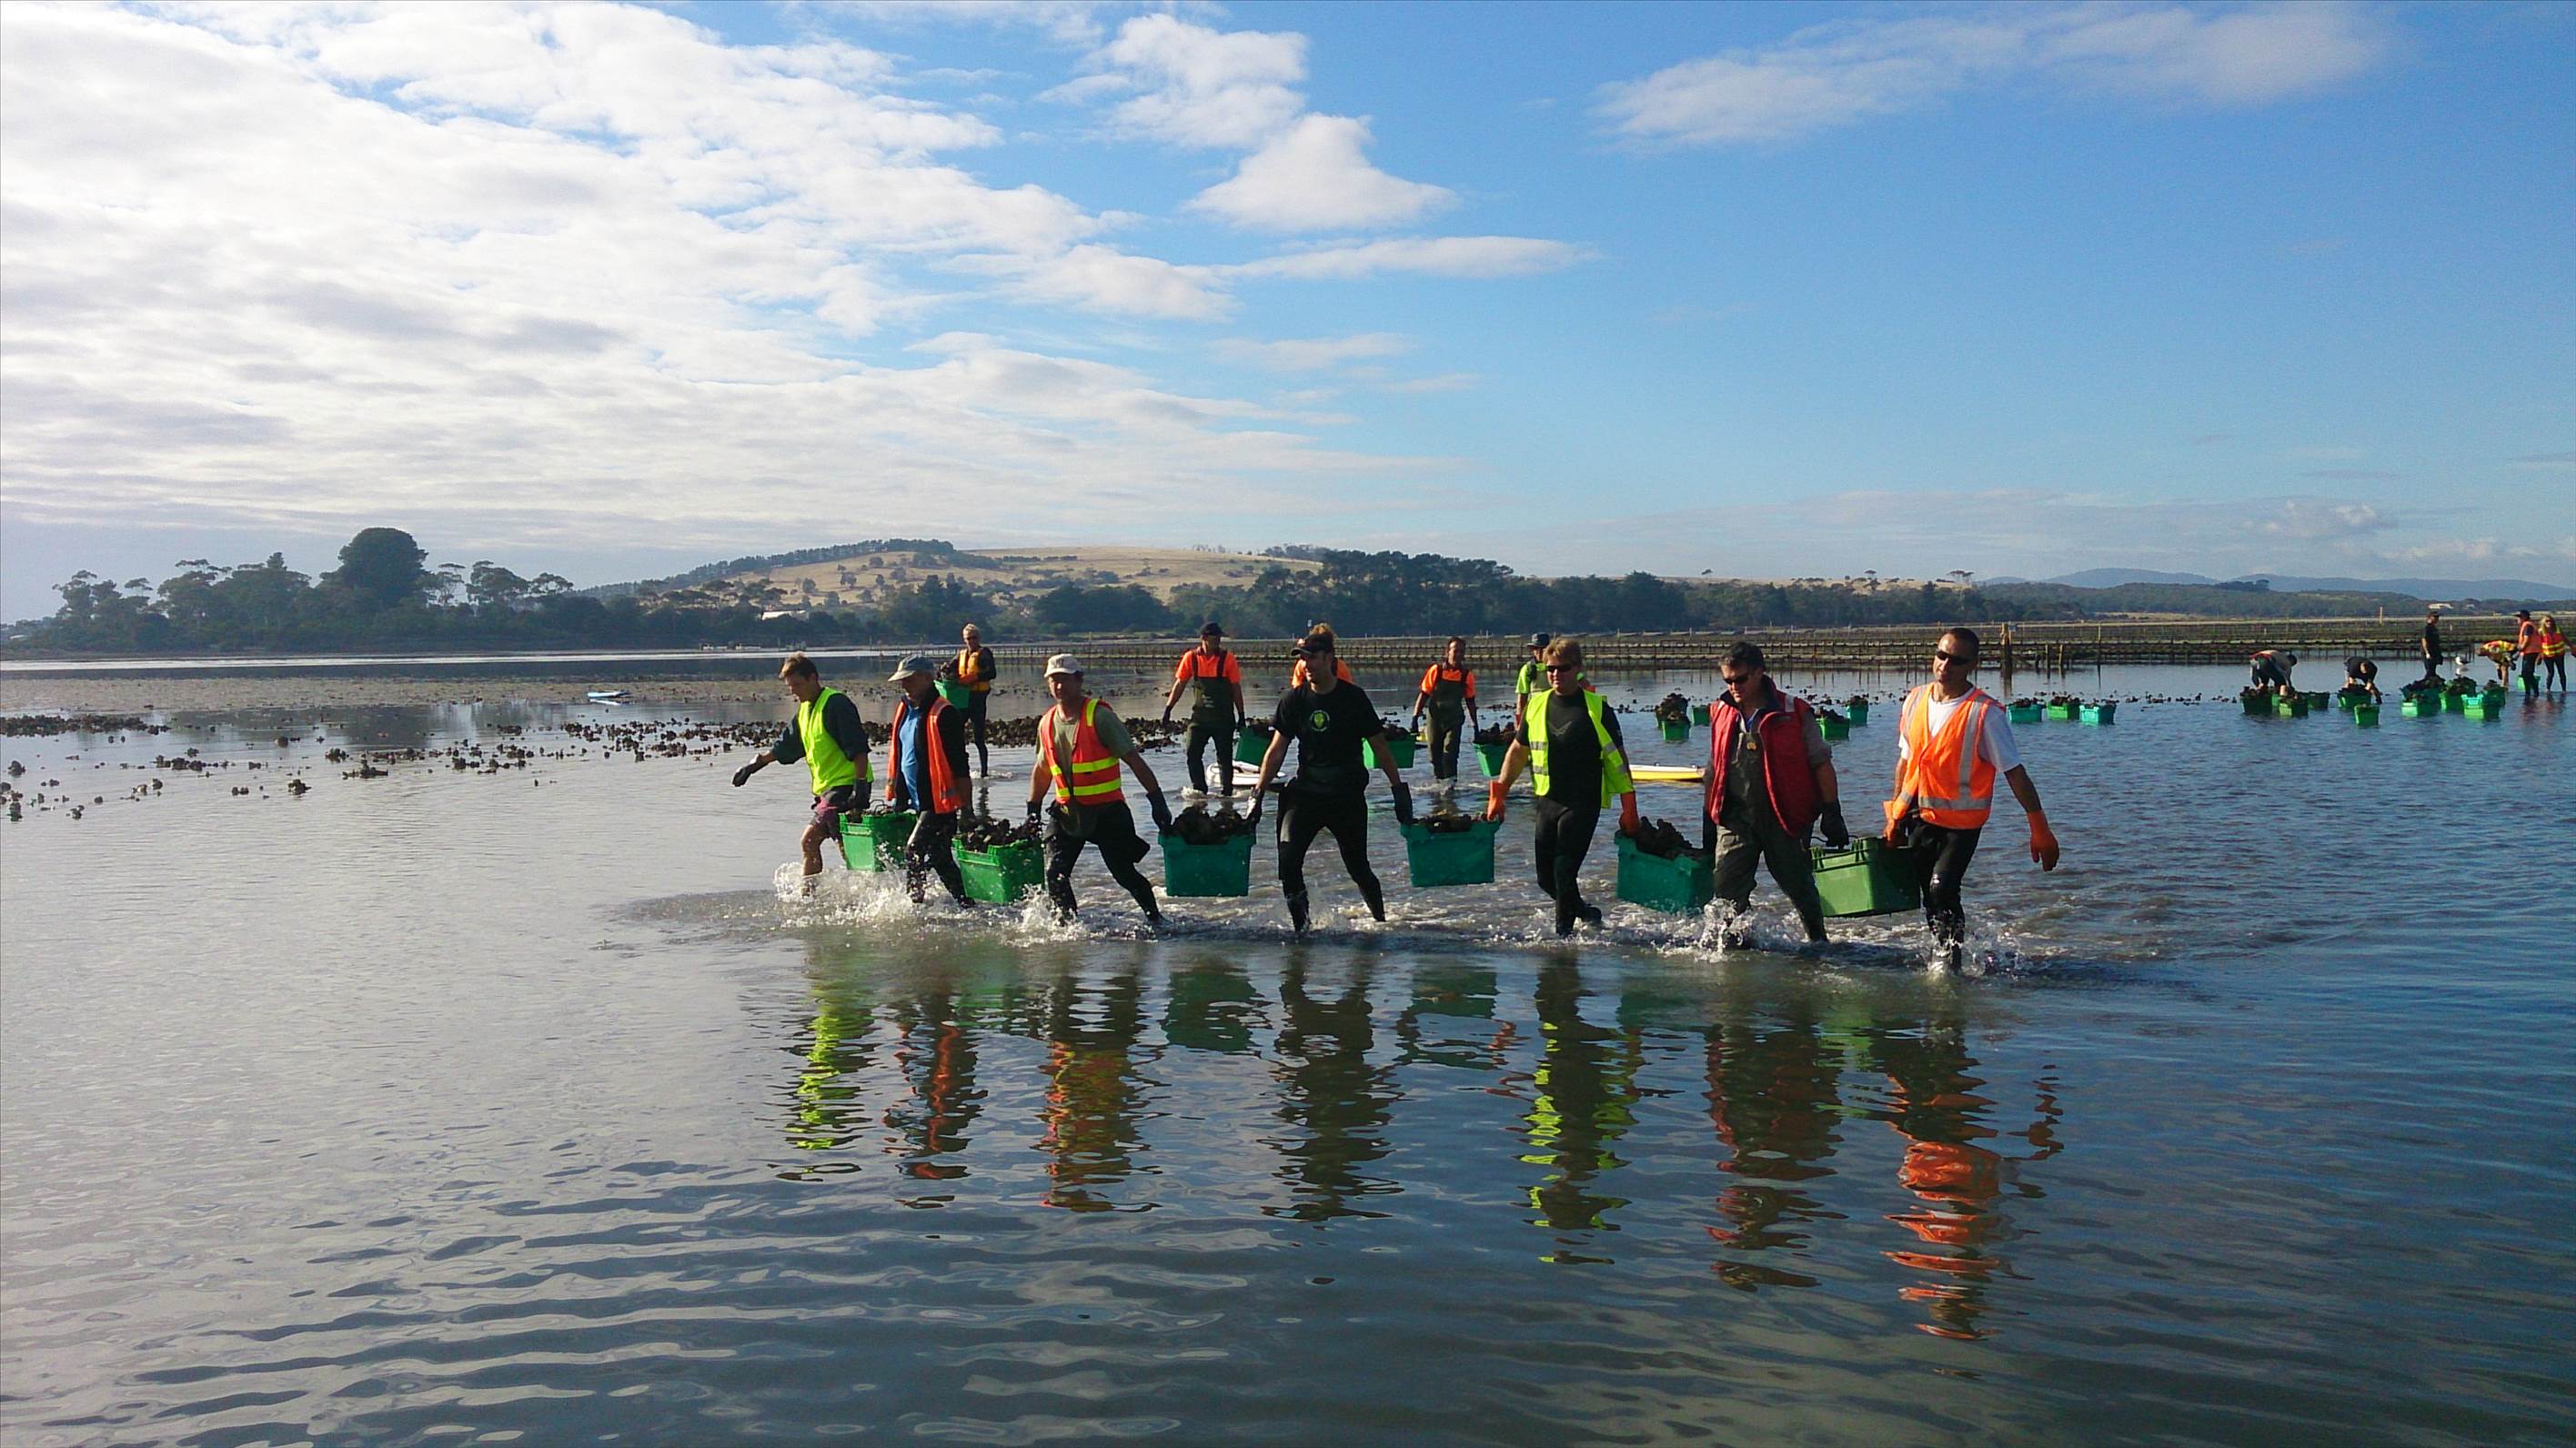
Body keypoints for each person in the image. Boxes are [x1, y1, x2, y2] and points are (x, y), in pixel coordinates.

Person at [1884, 628, 2061, 969]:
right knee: (1929, 898)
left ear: (1973, 665)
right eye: (1941, 655)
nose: (1945, 665)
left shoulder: (1985, 713)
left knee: (1942, 888)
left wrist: (2040, 828)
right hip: (1918, 817)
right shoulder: (1916, 699)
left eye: (1956, 660)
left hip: (1961, 826)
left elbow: (2015, 772)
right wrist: (1894, 816)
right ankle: (1943, 952)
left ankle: (1951, 963)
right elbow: (1905, 761)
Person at [1247, 628, 1413, 934]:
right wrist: (1256, 795)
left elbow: (1379, 747)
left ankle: (1380, 923)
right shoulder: (1293, 701)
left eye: (1312, 658)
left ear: (1329, 659)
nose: (1307, 664)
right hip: (1306, 794)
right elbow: (1277, 750)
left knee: (1358, 868)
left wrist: (1398, 790)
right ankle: (1302, 930)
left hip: (1345, 796)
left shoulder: (1353, 699)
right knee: (1288, 863)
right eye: (1302, 659)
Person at [1485, 639, 1635, 938]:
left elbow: (1618, 761)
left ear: (1578, 669)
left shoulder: (1597, 709)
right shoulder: (1537, 705)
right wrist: (1499, 793)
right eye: (1550, 669)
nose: (1555, 675)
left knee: (1564, 871)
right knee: (1546, 880)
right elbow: (1517, 752)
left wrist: (1629, 808)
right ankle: (1586, 912)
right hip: (1548, 801)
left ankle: (1562, 945)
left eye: (1563, 669)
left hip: (1583, 802)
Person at [1697, 641, 1843, 947]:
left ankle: (1819, 943)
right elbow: (1713, 768)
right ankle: (1736, 945)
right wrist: (1709, 816)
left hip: (1785, 817)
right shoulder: (1721, 712)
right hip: (1736, 819)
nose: (1734, 686)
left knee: (1798, 886)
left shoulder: (1793, 711)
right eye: (1728, 680)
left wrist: (1832, 812)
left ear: (1760, 673)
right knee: (1726, 886)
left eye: (1740, 679)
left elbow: (1821, 763)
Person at [1027, 655, 1171, 927]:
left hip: (1107, 812)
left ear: (1079, 680)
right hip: (1067, 813)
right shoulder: (1046, 723)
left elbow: (1134, 760)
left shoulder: (1099, 716)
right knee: (1053, 872)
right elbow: (1042, 769)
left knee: (1124, 874)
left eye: (1065, 679)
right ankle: (1067, 927)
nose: (1059, 686)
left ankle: (1156, 918)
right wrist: (1032, 810)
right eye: (1053, 680)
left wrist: (1157, 801)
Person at [730, 652, 874, 892]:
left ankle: (807, 897)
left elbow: (858, 748)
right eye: (790, 687)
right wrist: (754, 766)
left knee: (809, 840)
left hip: (846, 786)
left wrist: (860, 788)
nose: (793, 692)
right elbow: (786, 746)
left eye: (797, 685)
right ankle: (866, 891)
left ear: (813, 678)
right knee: (845, 846)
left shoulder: (836, 704)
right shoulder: (805, 711)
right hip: (827, 789)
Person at [884, 655, 971, 906]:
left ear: (926, 678)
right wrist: (899, 798)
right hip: (918, 800)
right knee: (941, 858)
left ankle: (915, 906)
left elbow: (960, 765)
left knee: (913, 850)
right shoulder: (905, 709)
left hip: (940, 803)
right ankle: (967, 904)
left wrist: (966, 810)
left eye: (908, 680)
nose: (903, 686)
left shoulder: (945, 714)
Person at [1160, 621, 1246, 797]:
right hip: (1199, 718)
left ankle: (1227, 795)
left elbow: (1236, 688)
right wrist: (1168, 709)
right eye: (1215, 638)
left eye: (1220, 638)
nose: (1218, 642)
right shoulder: (1191, 658)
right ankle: (1199, 792)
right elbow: (1180, 684)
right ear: (1204, 638)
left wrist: (1242, 715)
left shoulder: (1227, 659)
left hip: (1223, 719)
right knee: (1192, 752)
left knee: (1225, 758)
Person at [1408, 637, 1479, 784]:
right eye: (1455, 651)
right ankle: (1439, 783)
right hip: (1435, 718)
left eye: (1461, 652)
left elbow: (1470, 702)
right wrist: (1415, 718)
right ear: (1447, 652)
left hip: (1454, 719)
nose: (1458, 654)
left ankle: (1451, 785)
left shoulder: (1466, 675)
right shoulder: (1436, 671)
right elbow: (1424, 695)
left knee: (1450, 753)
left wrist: (1475, 726)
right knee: (1434, 754)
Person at [954, 624, 996, 776]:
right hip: (963, 700)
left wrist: (974, 677)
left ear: (979, 638)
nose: (971, 641)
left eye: (974, 638)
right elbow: (951, 668)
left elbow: (992, 673)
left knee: (979, 737)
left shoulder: (984, 653)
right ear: (964, 640)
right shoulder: (961, 655)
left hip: (978, 700)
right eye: (968, 638)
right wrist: (945, 671)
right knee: (956, 734)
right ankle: (960, 768)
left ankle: (984, 771)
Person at [1287, 622, 1356, 688]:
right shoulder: (1340, 666)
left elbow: (1296, 686)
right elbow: (1349, 686)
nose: (1307, 665)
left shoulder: (1301, 665)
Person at [1512, 633, 1552, 734]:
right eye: (1536, 649)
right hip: (1536, 715)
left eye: (1543, 649)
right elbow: (1522, 698)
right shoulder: (1527, 669)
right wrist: (1519, 722)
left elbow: (1583, 685)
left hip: (1556, 713)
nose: (1540, 652)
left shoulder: (1559, 667)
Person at [2514, 610, 2542, 695]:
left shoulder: (2527, 626)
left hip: (2531, 652)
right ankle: (2529, 692)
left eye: (2519, 617)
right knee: (2526, 673)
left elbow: (2527, 640)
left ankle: (2533, 693)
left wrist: (2519, 650)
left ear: (2524, 617)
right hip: (2530, 651)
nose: (2518, 620)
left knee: (2527, 673)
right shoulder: (2528, 625)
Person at [2541, 613, 2568, 692]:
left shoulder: (2557, 630)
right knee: (2550, 672)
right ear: (2544, 623)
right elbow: (2538, 644)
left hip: (2559, 654)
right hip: (2547, 655)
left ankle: (2564, 690)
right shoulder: (2541, 632)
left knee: (2561, 672)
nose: (2549, 623)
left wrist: (2572, 647)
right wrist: (2540, 655)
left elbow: (2565, 639)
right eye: (2547, 621)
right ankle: (2548, 689)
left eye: (2551, 621)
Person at [2420, 608, 2444, 684]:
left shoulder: (2434, 628)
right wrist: (2427, 653)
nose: (2437, 619)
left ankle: (2433, 685)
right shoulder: (2427, 628)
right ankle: (2423, 687)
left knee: (2433, 672)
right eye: (2435, 617)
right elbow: (2424, 640)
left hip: (2435, 652)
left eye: (2438, 617)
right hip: (2429, 653)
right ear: (2430, 617)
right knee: (2429, 671)